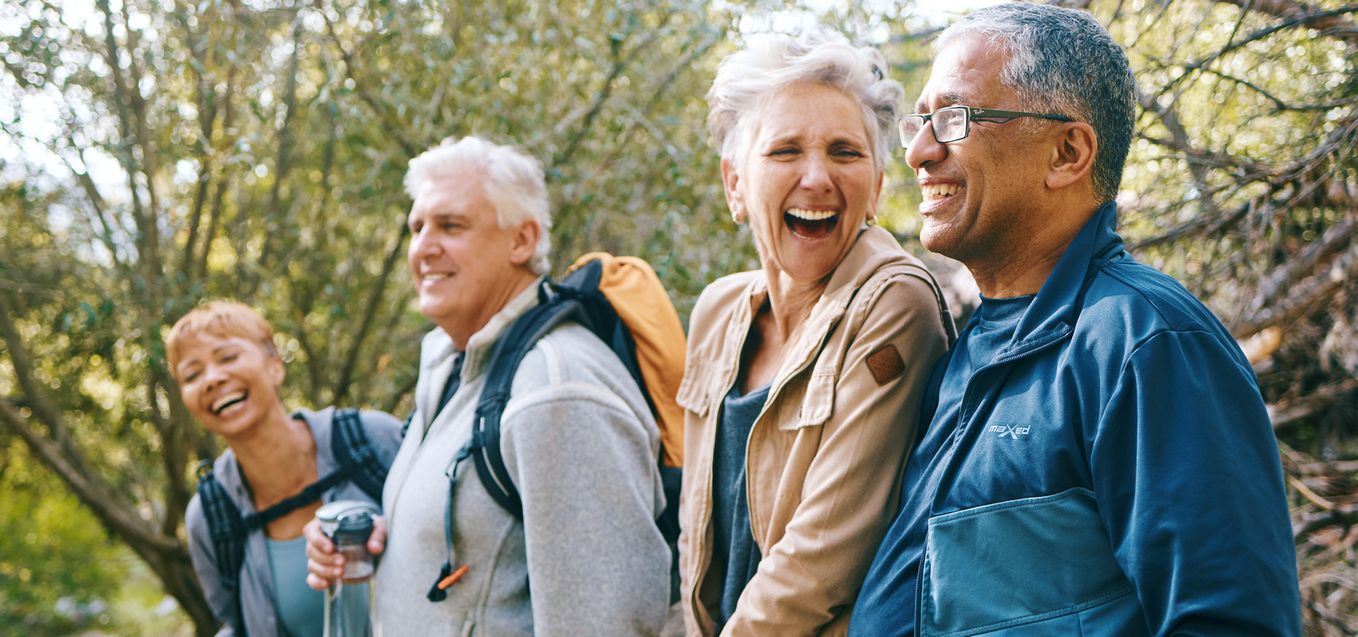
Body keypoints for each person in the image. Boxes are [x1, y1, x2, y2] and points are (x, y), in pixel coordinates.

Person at [849, 4, 1301, 635]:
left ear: (1067, 152)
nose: (919, 151)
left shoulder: (1146, 343)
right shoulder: (970, 346)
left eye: (955, 118)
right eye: (920, 121)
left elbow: (1231, 620)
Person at [304, 136, 671, 635]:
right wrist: (374, 530)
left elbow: (608, 624)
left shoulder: (555, 390)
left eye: (451, 226)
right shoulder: (453, 363)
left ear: (521, 240)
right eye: (417, 227)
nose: (423, 248)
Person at [677, 34, 953, 636]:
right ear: (734, 185)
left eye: (845, 152)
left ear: (878, 185)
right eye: (784, 151)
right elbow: (695, 535)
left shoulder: (894, 303)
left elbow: (822, 561)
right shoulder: (718, 311)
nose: (817, 177)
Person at [170, 301, 403, 636]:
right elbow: (236, 625)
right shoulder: (210, 517)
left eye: (228, 357)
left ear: (275, 367)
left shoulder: (371, 440)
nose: (213, 379)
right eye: (192, 375)